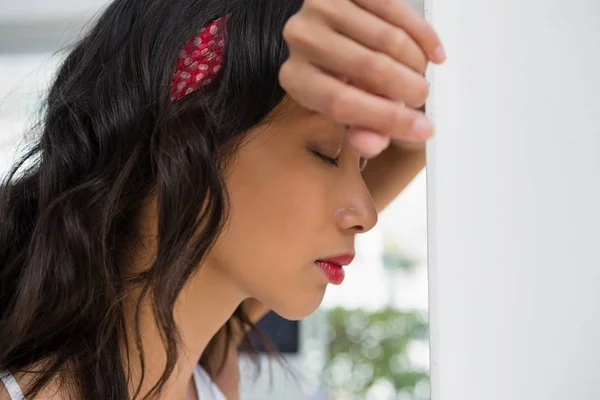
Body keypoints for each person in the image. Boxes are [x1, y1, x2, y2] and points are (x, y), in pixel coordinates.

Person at [0, 0, 445, 399]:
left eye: (363, 167)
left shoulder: (205, 367)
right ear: (185, 146)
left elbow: (416, 133)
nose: (365, 215)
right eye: (325, 155)